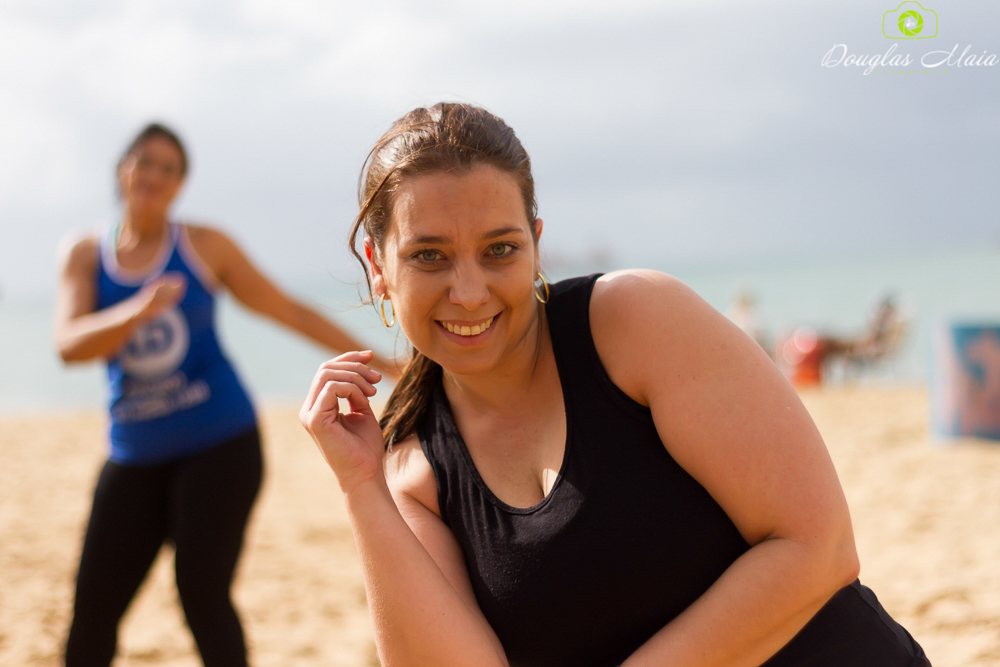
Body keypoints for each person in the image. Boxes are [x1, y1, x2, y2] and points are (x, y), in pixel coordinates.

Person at [299, 103, 930, 667]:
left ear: (537, 246)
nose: (469, 291)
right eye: (429, 256)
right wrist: (361, 489)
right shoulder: (415, 474)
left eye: (500, 249)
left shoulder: (634, 323)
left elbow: (818, 548)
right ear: (378, 266)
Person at [54, 123, 396, 667]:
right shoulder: (85, 253)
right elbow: (69, 345)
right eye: (145, 162)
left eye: (170, 169)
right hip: (134, 452)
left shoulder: (203, 245)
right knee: (92, 611)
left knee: (201, 594)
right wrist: (138, 309)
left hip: (220, 445)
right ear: (125, 170)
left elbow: (289, 310)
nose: (154, 176)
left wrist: (388, 361)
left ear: (180, 184)